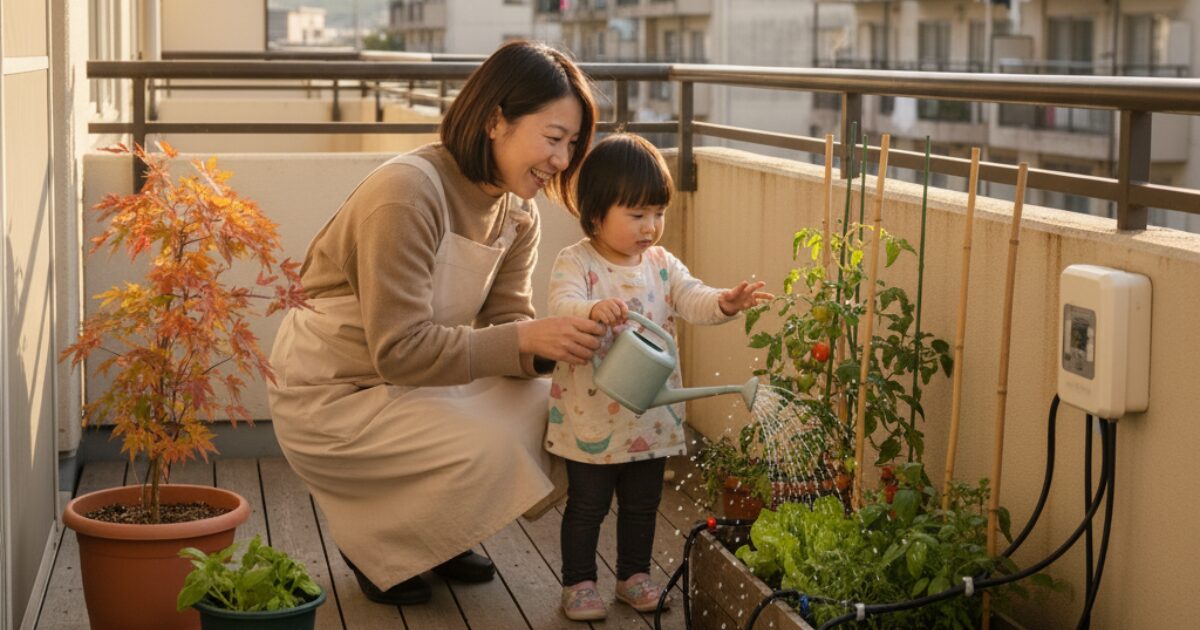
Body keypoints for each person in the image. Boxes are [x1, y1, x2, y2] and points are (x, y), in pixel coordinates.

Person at [266, 41, 607, 606]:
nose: (562, 161)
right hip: (333, 393)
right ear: (496, 120)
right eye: (552, 139)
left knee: (560, 407)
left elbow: (506, 323)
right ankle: (378, 544)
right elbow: (399, 350)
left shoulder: (516, 212)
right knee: (493, 443)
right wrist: (526, 338)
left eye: (572, 144)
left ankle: (435, 537)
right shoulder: (406, 194)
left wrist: (562, 343)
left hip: (415, 383)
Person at [545, 134, 772, 620]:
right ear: (594, 213)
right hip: (590, 416)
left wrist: (725, 303)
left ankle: (633, 575)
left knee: (643, 504)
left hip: (650, 416)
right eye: (636, 214)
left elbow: (692, 297)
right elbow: (561, 305)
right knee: (587, 505)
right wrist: (591, 308)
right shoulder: (577, 262)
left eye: (657, 213)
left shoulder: (661, 266)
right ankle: (579, 582)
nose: (650, 227)